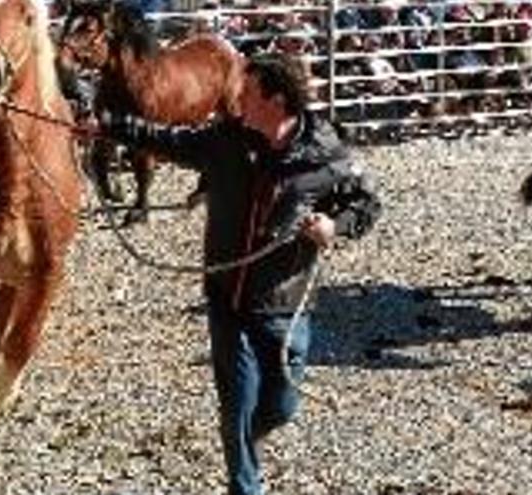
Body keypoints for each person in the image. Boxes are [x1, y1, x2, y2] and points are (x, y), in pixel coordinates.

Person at [98, 53, 381, 495]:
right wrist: (107, 123)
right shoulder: (226, 141)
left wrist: (334, 226)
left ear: (276, 99)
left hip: (286, 305)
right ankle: (244, 484)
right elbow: (164, 138)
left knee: (281, 408)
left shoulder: (326, 152)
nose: (235, 98)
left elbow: (366, 204)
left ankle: (245, 442)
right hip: (227, 299)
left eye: (246, 93)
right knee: (237, 407)